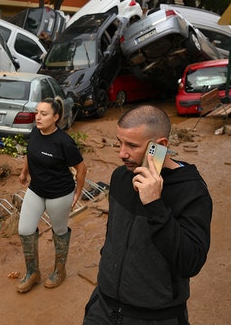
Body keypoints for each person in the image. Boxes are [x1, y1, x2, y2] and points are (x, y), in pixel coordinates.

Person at [83, 105, 212, 324]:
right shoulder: (121, 177)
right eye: (120, 142)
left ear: (159, 146)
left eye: (132, 145)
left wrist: (155, 204)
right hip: (103, 309)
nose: (121, 153)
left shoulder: (191, 192)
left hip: (155, 317)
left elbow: (190, 263)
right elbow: (113, 236)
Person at [17, 97, 87, 293]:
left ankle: (59, 270)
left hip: (59, 194)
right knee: (25, 230)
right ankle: (33, 273)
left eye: (44, 114)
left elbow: (81, 169)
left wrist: (77, 193)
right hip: (36, 190)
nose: (38, 117)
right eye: (37, 112)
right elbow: (31, 154)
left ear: (56, 117)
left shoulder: (64, 142)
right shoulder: (35, 132)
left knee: (59, 231)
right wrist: (24, 172)